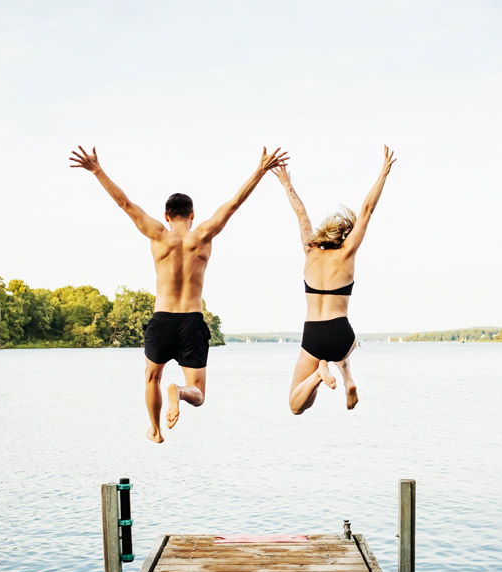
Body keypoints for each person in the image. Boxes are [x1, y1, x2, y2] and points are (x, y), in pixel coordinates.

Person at [70, 144, 288, 442]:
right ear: (193, 215)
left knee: (152, 377)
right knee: (198, 394)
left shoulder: (158, 234)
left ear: (166, 214)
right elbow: (234, 204)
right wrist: (260, 171)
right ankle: (180, 392)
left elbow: (125, 203)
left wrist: (97, 170)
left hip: (162, 320)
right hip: (192, 322)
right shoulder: (203, 234)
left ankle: (156, 430)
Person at [272, 146, 396, 415]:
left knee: (297, 405)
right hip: (342, 332)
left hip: (313, 333)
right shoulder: (347, 253)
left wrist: (286, 183)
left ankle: (319, 375)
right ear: (344, 236)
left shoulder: (309, 250)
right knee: (348, 345)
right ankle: (347, 377)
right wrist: (383, 173)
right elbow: (367, 210)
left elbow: (301, 213)